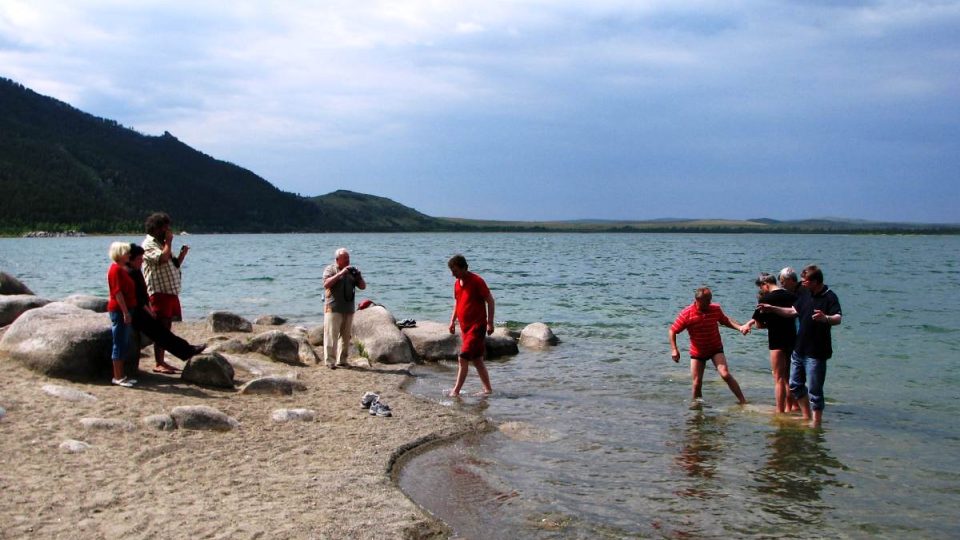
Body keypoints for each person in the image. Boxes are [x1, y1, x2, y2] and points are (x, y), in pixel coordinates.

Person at [758, 265, 841, 428]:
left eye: (806, 281)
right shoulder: (805, 295)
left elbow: (838, 318)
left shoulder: (829, 297)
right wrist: (772, 308)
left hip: (817, 351)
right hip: (799, 349)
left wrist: (826, 318)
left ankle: (816, 423)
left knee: (815, 391)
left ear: (815, 282)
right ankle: (806, 417)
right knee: (795, 385)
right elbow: (792, 312)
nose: (802, 283)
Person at [125, 244, 205, 371]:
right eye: (139, 259)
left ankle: (186, 350)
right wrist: (149, 311)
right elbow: (136, 297)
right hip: (137, 311)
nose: (141, 261)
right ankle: (185, 351)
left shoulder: (134, 270)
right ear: (130, 259)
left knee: (162, 332)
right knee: (160, 333)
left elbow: (142, 295)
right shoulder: (130, 272)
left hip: (140, 309)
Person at [669, 287, 749, 406]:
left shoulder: (715, 309)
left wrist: (740, 327)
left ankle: (743, 402)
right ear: (698, 300)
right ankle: (697, 408)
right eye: (707, 300)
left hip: (715, 348)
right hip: (698, 352)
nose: (710, 303)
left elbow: (725, 320)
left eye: (710, 299)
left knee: (725, 374)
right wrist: (674, 349)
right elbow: (672, 330)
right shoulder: (687, 313)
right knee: (697, 383)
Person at [743, 273, 797, 414]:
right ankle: (791, 407)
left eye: (761, 287)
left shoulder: (766, 299)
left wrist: (770, 324)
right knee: (788, 376)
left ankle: (780, 411)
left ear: (765, 284)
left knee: (778, 378)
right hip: (792, 339)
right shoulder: (792, 296)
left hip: (776, 340)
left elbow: (759, 325)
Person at [142, 212, 189, 374]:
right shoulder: (149, 244)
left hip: (169, 291)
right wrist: (169, 242)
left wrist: (181, 256)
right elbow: (161, 259)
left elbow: (172, 263)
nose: (168, 230)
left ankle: (162, 361)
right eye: (165, 227)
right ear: (156, 228)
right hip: (159, 291)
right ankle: (159, 362)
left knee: (167, 326)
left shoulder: (161, 243)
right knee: (161, 327)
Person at [447, 254, 495, 397]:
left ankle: (455, 391)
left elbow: (490, 301)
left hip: (477, 326)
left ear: (464, 268)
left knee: (463, 357)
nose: (453, 274)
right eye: (451, 271)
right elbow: (457, 303)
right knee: (477, 359)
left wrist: (490, 323)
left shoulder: (477, 281)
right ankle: (488, 390)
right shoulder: (457, 284)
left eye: (455, 270)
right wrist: (452, 321)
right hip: (465, 328)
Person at [322, 248, 366, 369]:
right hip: (333, 308)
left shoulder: (352, 271)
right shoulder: (330, 269)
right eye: (345, 258)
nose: (348, 260)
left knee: (345, 337)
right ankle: (330, 361)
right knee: (331, 336)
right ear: (337, 260)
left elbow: (363, 287)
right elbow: (326, 284)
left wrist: (359, 277)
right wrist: (341, 274)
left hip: (348, 308)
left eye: (348, 258)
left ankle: (342, 360)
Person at [106, 242, 137, 388]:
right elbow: (117, 293)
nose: (129, 255)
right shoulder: (115, 270)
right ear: (119, 254)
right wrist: (125, 312)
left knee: (123, 342)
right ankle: (117, 376)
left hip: (125, 309)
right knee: (119, 342)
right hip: (119, 310)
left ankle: (121, 375)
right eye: (126, 252)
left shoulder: (121, 269)